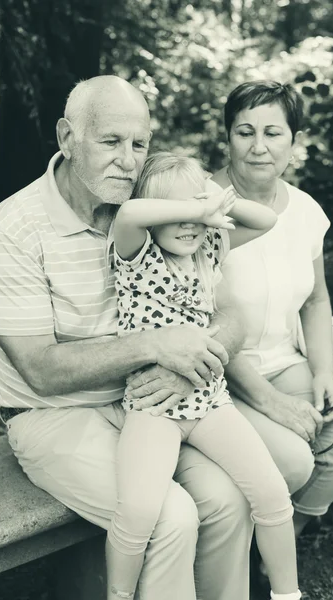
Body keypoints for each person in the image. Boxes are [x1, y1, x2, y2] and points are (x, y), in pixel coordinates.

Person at [0, 75, 257, 600]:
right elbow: (40, 368)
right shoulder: (12, 228)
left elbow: (231, 313)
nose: (128, 161)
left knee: (229, 498)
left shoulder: (156, 206)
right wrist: (156, 347)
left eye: (139, 144)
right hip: (52, 415)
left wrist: (191, 362)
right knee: (167, 517)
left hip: (151, 403)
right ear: (67, 138)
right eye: (110, 141)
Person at [125, 79, 333, 595]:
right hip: (225, 374)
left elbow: (317, 300)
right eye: (244, 131)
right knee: (295, 461)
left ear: (294, 141)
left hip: (286, 356)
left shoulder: (307, 209)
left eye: (274, 132)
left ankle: (277, 545)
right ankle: (260, 551)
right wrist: (273, 402)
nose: (259, 146)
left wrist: (323, 374)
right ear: (226, 137)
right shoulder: (191, 207)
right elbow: (208, 321)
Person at [107, 151, 302, 600]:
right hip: (154, 408)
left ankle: (288, 595)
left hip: (210, 402)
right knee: (138, 510)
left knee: (272, 494)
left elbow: (266, 218)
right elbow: (131, 211)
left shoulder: (210, 244)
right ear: (160, 216)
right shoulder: (136, 252)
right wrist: (196, 206)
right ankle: (117, 596)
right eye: (177, 210)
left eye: (199, 205)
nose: (192, 220)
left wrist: (209, 201)